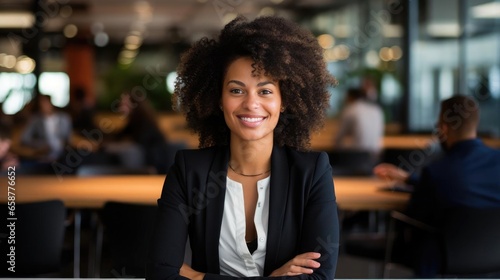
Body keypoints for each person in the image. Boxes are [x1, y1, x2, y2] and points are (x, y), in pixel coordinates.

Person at [147, 16, 340, 280]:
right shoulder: (188, 171)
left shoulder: (312, 172)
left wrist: (199, 277)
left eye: (265, 91)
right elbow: (161, 274)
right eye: (237, 91)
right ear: (218, 100)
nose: (251, 104)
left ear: (284, 101)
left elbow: (319, 277)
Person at [378, 95, 500, 277]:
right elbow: (466, 186)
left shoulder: (437, 172)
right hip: (493, 257)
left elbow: (415, 215)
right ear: (475, 124)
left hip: (443, 259)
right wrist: (409, 179)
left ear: (443, 128)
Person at [104, 91, 167, 171]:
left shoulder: (144, 122)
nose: (120, 107)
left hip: (152, 166)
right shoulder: (134, 121)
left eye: (124, 104)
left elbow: (140, 145)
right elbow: (118, 136)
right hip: (146, 163)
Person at [334, 87, 384, 163]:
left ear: (350, 97)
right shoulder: (377, 110)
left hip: (357, 158)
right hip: (376, 158)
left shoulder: (350, 110)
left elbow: (338, 138)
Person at [20, 94, 72, 162]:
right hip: (43, 155)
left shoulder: (64, 118)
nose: (44, 106)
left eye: (46, 103)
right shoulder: (35, 120)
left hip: (63, 153)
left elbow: (69, 137)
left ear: (51, 103)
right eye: (41, 104)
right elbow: (25, 138)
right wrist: (40, 145)